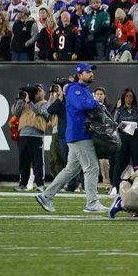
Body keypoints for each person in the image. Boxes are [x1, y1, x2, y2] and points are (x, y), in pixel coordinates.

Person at [35, 64, 107, 213]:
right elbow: (82, 105)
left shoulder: (83, 90)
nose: (91, 74)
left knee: (71, 170)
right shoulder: (75, 89)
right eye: (87, 72)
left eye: (91, 71)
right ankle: (92, 202)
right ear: (79, 75)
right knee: (92, 168)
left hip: (79, 134)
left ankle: (46, 196)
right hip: (80, 134)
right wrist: (96, 103)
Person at [13, 84, 50, 191]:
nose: (37, 92)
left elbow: (40, 112)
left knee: (38, 162)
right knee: (23, 161)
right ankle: (23, 184)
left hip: (36, 135)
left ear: (44, 92)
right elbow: (16, 113)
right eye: (36, 91)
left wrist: (29, 102)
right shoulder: (24, 102)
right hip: (23, 134)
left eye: (39, 90)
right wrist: (20, 100)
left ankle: (40, 184)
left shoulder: (45, 104)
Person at [110, 88, 138, 192]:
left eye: (130, 96)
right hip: (123, 137)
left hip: (135, 137)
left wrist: (136, 128)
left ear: (133, 97)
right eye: (127, 96)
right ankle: (115, 186)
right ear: (123, 98)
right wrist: (120, 126)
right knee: (120, 162)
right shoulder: (119, 110)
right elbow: (114, 123)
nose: (129, 98)